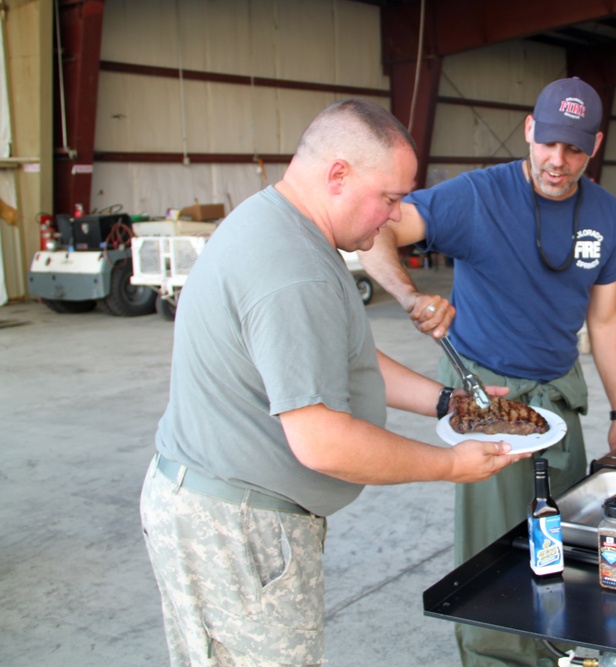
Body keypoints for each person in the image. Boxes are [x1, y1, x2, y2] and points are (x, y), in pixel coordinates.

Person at [139, 99, 529, 667]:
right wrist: (450, 465)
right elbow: (323, 441)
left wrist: (448, 402)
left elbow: (340, 357)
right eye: (390, 199)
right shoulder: (291, 267)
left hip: (227, 509)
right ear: (339, 175)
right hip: (236, 527)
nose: (396, 218)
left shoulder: (284, 227)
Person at [359, 77, 616, 667]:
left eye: (575, 150)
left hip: (559, 395)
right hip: (485, 391)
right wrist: (409, 293)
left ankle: (561, 650)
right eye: (549, 144)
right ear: (530, 130)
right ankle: (495, 656)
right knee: (494, 546)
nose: (558, 162)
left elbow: (606, 320)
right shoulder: (476, 197)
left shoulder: (608, 215)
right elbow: (376, 227)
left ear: (595, 146)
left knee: (563, 534)